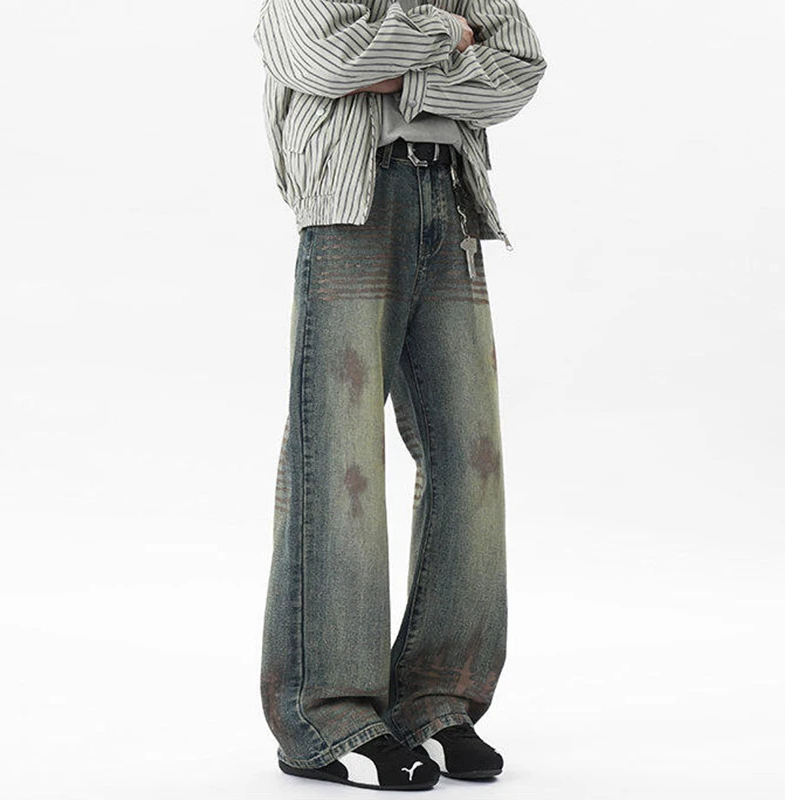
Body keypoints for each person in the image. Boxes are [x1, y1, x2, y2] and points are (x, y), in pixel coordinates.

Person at [252, 0, 546, 790]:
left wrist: (395, 72)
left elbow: (519, 70)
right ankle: (326, 717)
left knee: (472, 462)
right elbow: (317, 57)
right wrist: (449, 35)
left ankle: (433, 700)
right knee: (338, 459)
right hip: (352, 204)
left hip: (448, 199)